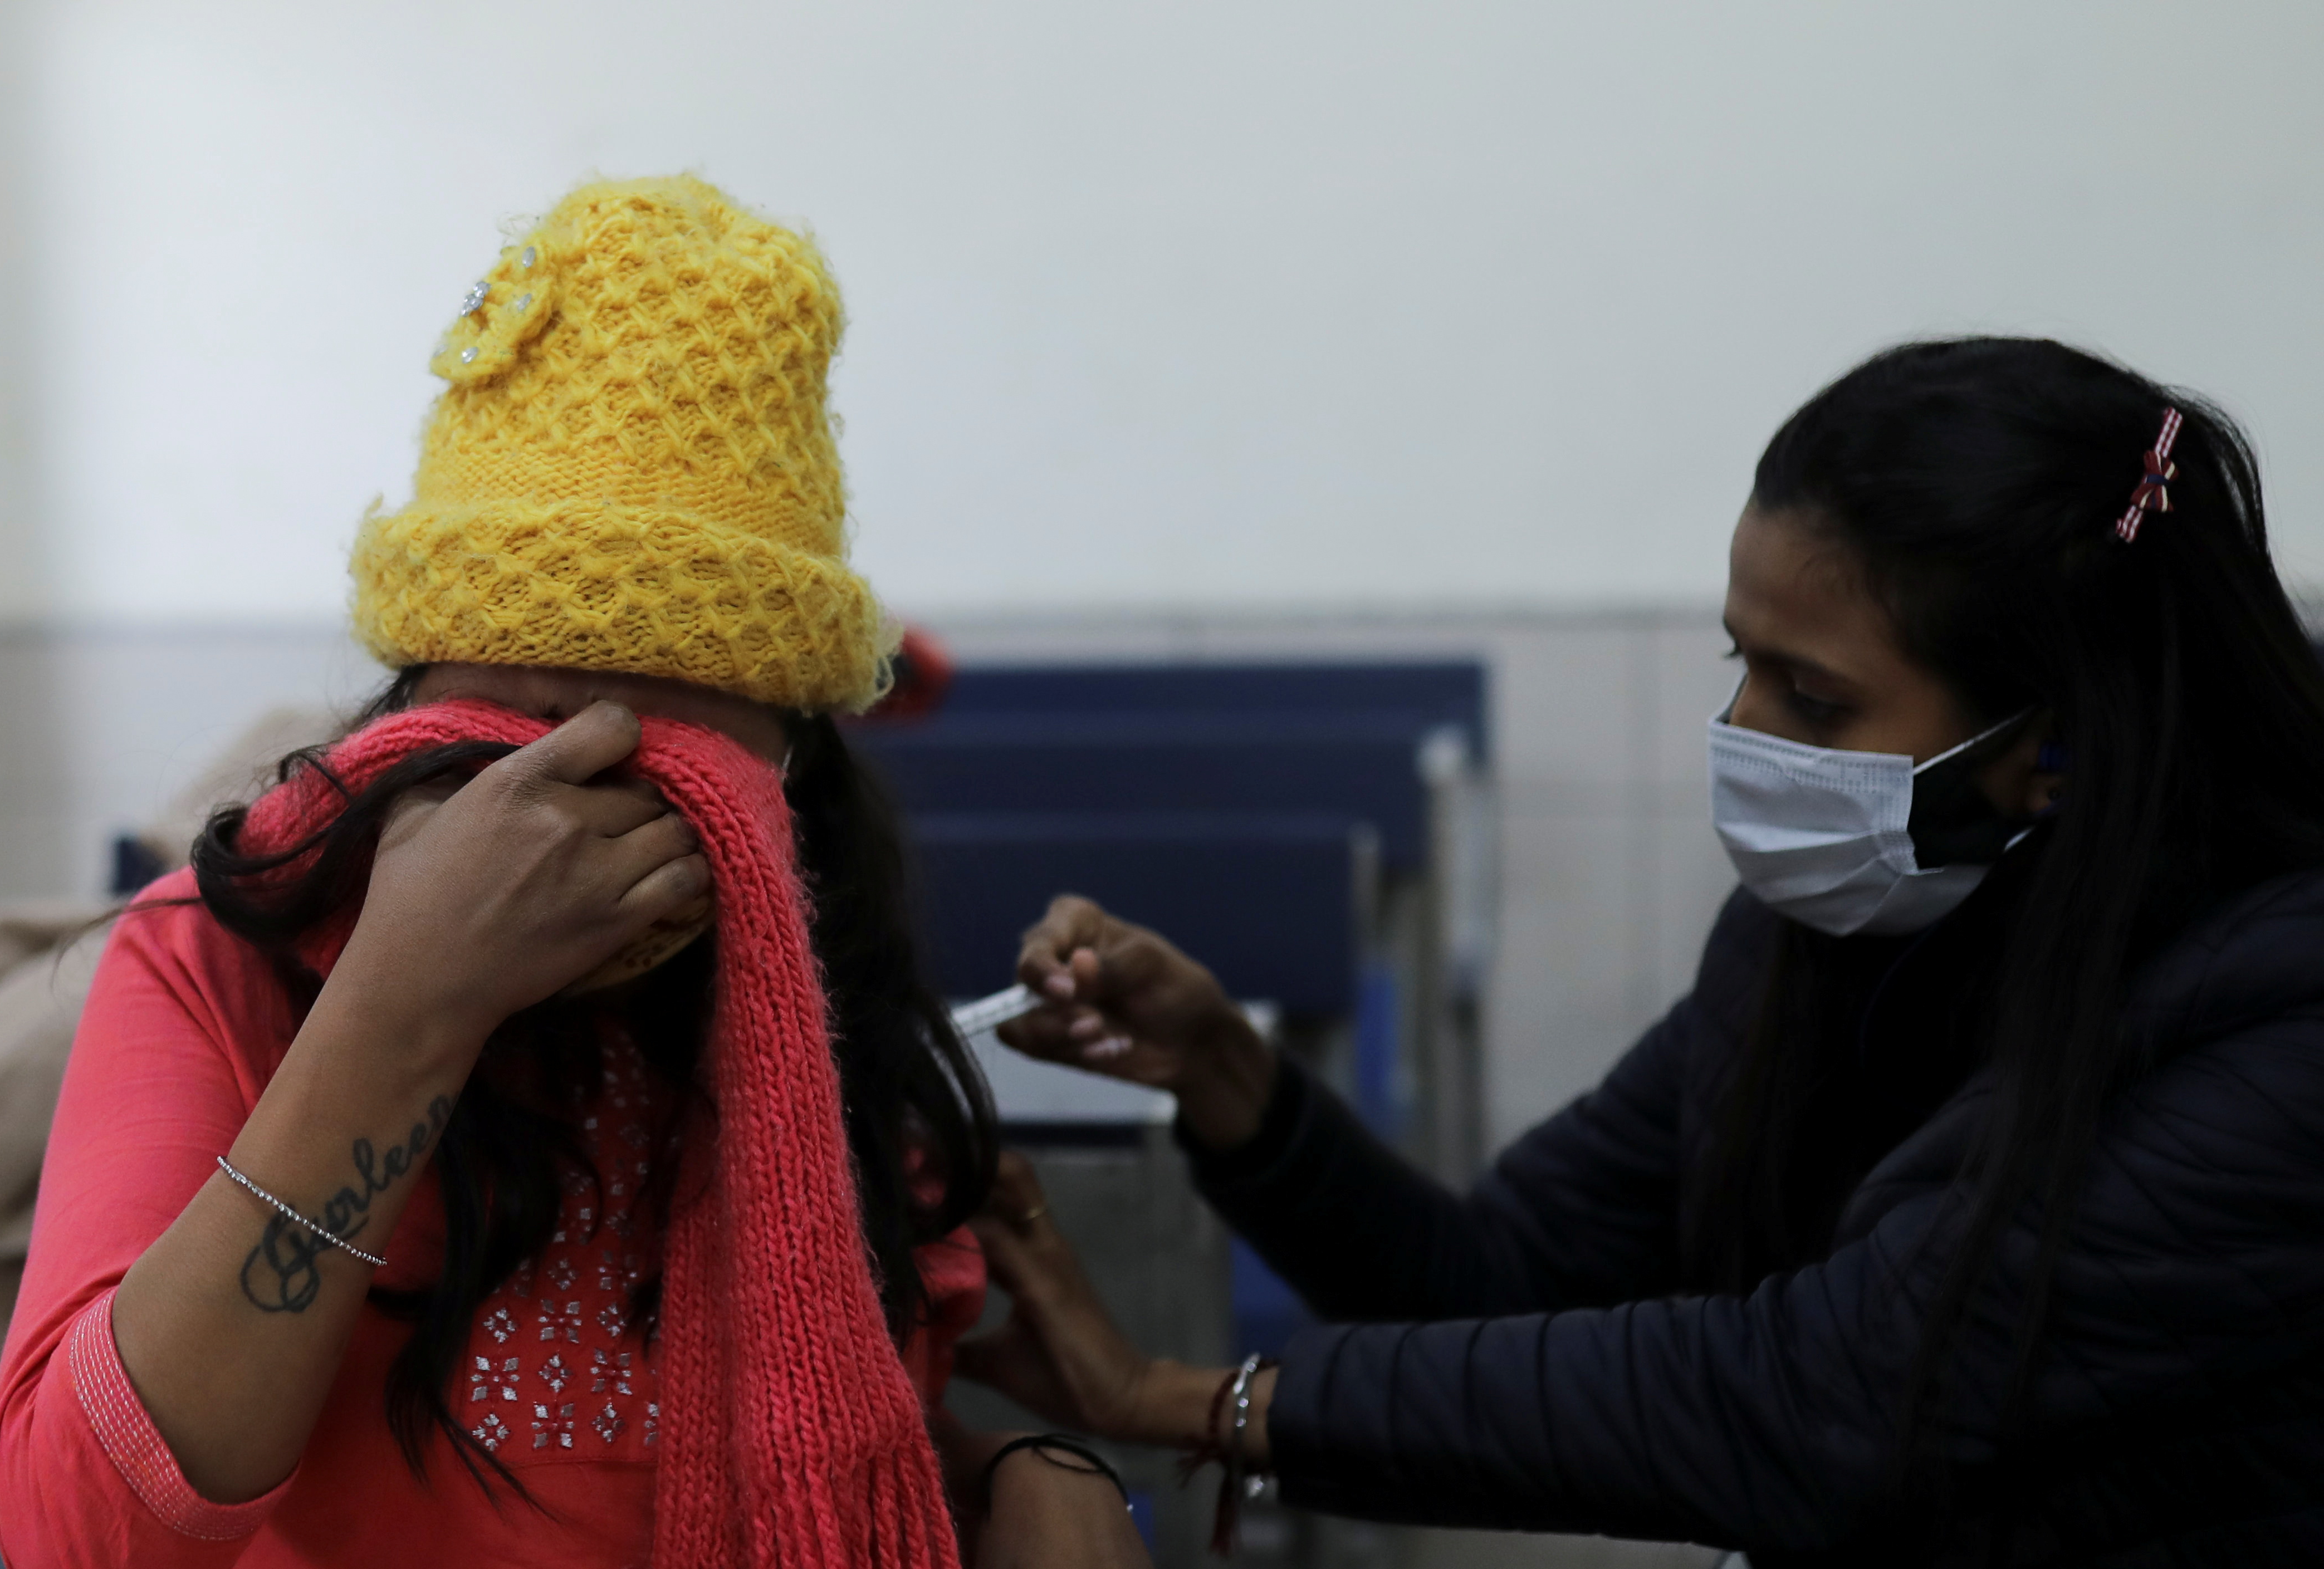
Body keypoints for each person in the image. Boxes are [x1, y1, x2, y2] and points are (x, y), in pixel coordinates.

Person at [962, 338, 2324, 1564]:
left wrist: (1191, 1401)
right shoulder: (1835, 927)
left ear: (2057, 744)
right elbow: (1485, 1280)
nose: (1742, 730)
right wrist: (1226, 1076)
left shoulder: (2277, 1016)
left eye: (1815, 696)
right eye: (1741, 663)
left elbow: (1823, 1403)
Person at [0, 177, 1147, 1569]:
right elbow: (81, 1530)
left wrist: (1015, 1460)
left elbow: (811, 1424)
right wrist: (405, 1007)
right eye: (511, 729)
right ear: (413, 699)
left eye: (670, 738)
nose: (564, 812)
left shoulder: (805, 982)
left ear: (789, 751)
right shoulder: (214, 965)